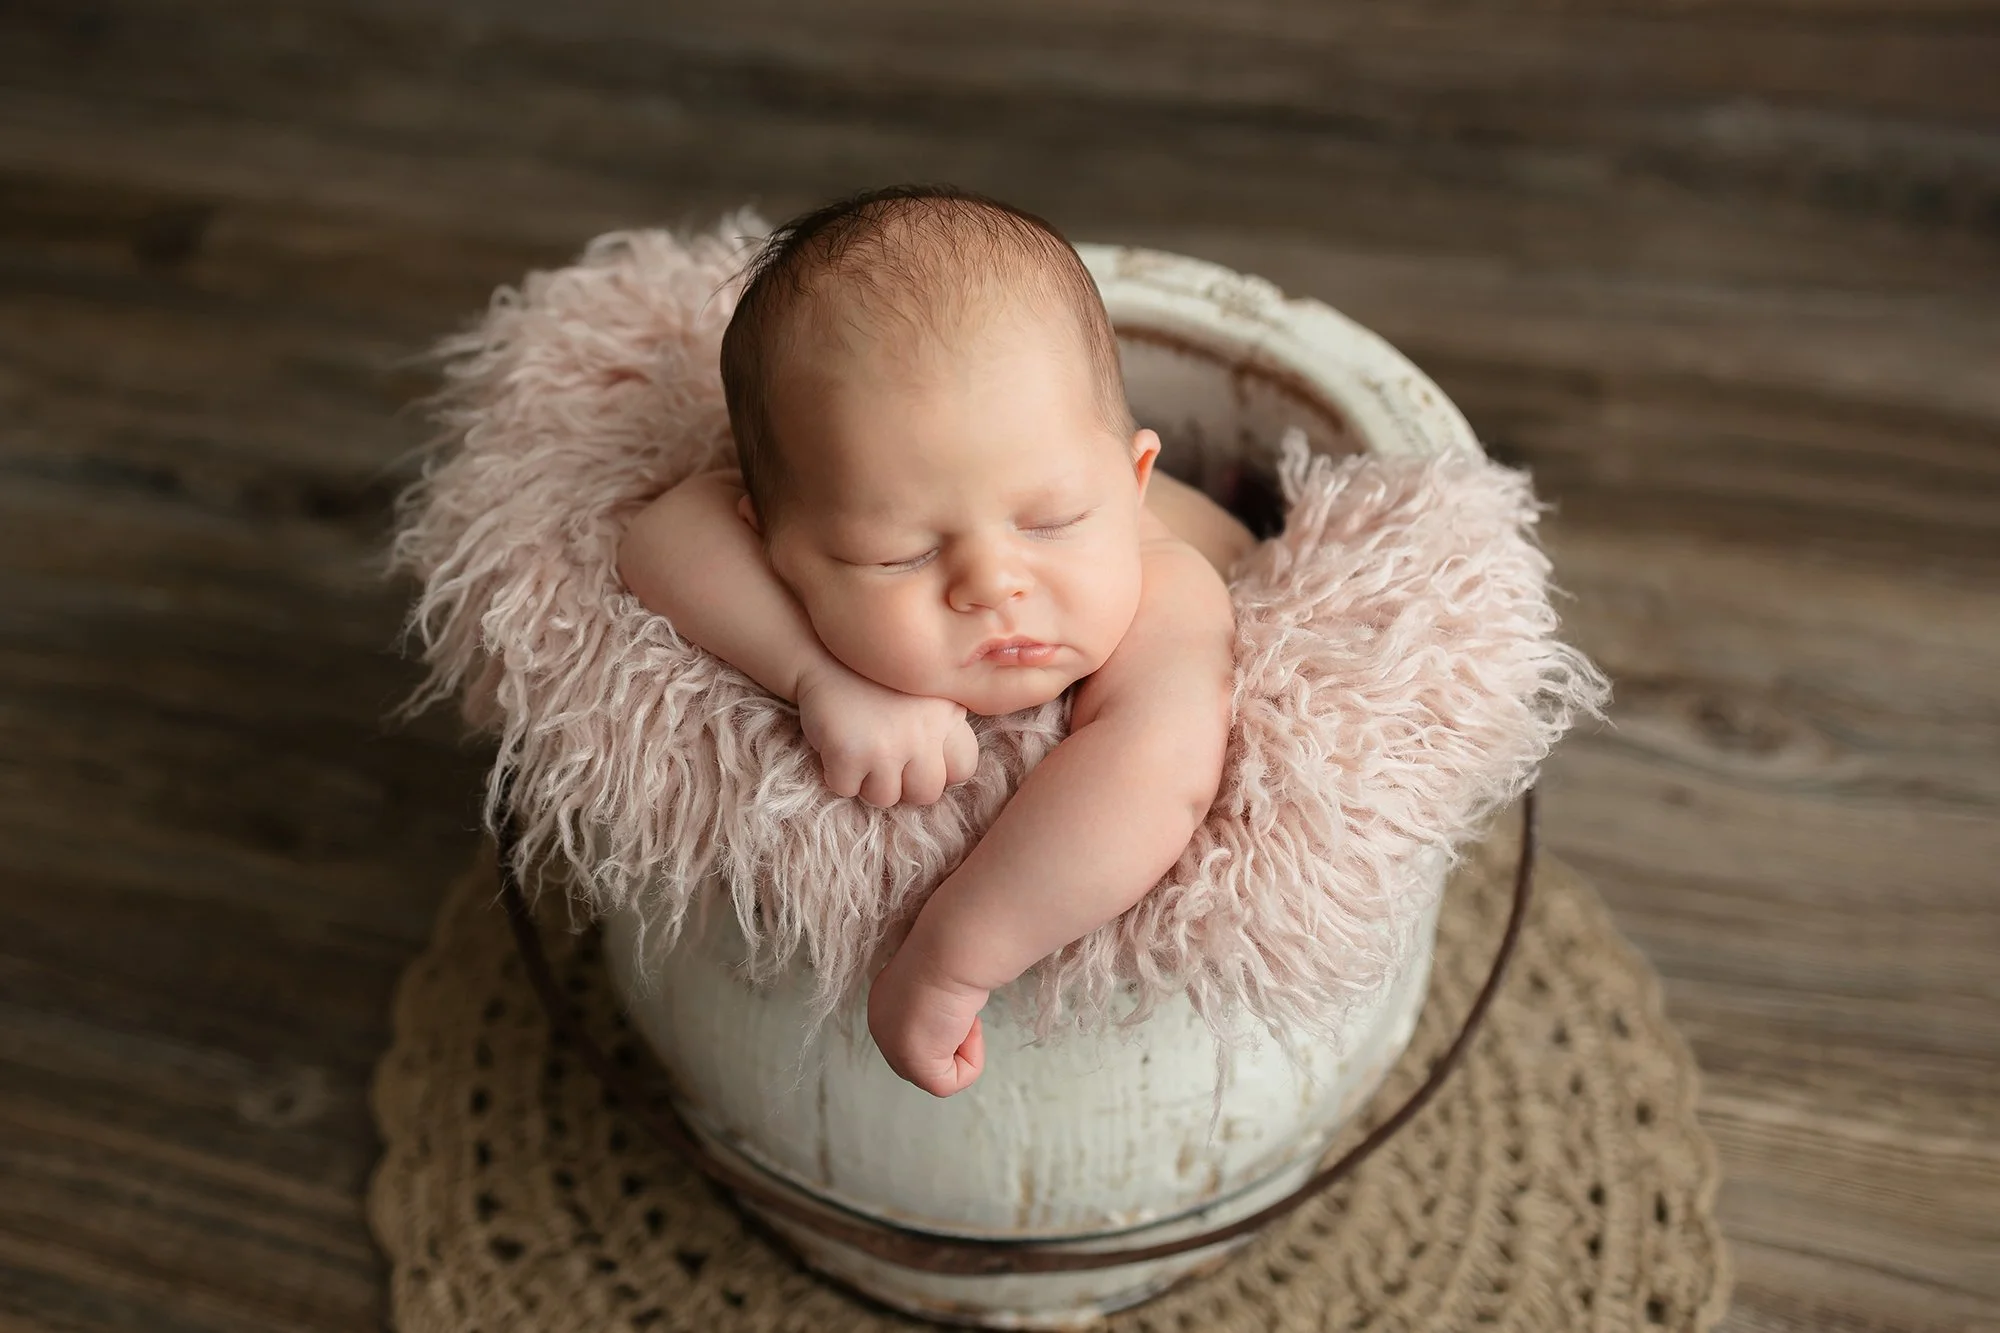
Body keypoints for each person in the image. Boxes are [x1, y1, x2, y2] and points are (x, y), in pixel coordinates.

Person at [617, 185, 1256, 1097]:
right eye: (901, 553)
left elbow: (1153, 776)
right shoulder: (786, 518)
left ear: (1135, 475)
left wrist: (954, 960)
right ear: (775, 543)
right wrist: (818, 676)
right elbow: (663, 535)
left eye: (1052, 520)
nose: (994, 583)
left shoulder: (1167, 589)